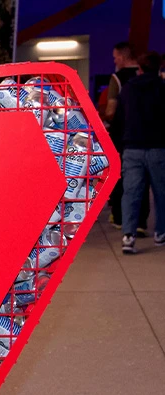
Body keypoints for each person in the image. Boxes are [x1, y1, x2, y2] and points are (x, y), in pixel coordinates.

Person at [115, 51, 165, 254]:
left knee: (131, 193)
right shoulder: (163, 88)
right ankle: (160, 233)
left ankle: (128, 235)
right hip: (158, 148)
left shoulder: (127, 89)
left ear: (140, 68)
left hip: (132, 147)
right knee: (161, 193)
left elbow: (119, 118)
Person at [105, 42, 150, 233]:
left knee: (122, 178)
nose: (115, 61)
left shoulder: (117, 79)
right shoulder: (149, 78)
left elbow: (111, 110)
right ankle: (141, 222)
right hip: (148, 136)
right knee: (145, 180)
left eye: (115, 57)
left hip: (123, 136)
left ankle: (121, 217)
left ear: (123, 57)